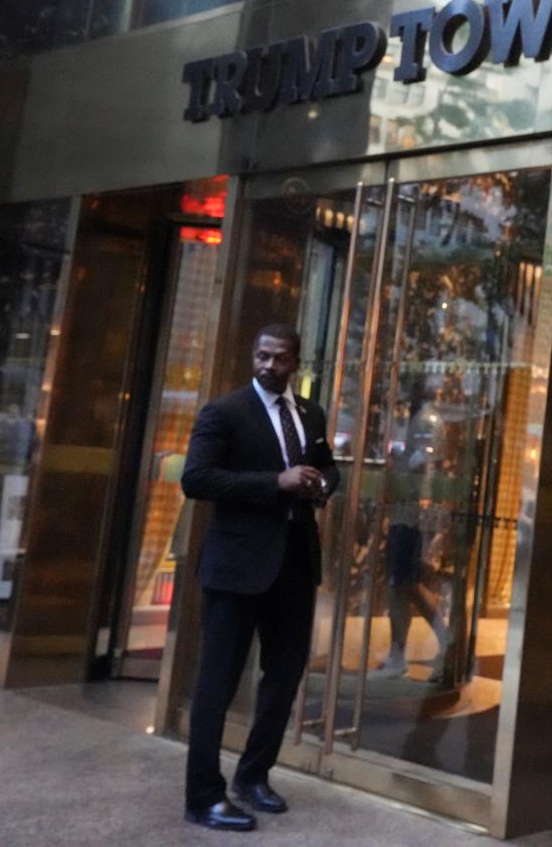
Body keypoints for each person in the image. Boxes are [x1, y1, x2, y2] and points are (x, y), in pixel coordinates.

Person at [181, 324, 339, 831]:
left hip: (294, 565)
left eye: (281, 358)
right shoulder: (223, 412)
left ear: (297, 363)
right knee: (217, 684)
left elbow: (327, 467)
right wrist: (276, 482)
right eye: (262, 356)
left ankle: (253, 777)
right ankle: (204, 797)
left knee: (284, 676)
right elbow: (197, 479)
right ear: (255, 356)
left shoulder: (309, 413)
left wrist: (320, 486)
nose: (270, 365)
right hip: (235, 569)